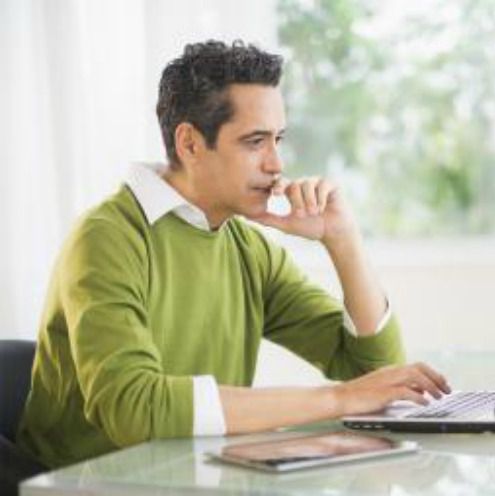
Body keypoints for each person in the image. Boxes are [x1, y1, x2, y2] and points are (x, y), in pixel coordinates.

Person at [16, 40, 450, 469]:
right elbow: (134, 408)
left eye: (278, 139)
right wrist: (338, 399)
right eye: (255, 141)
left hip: (196, 477)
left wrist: (343, 239)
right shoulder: (108, 238)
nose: (277, 164)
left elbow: (374, 373)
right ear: (189, 143)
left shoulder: (246, 247)